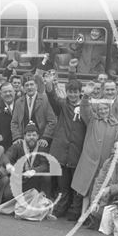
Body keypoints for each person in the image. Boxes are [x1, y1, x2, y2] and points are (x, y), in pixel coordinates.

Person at [71, 86, 118, 219]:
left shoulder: (116, 124)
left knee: (97, 190)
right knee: (86, 190)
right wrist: (86, 96)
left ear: (109, 110)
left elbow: (116, 144)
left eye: (105, 109)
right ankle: (82, 215)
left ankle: (93, 217)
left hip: (104, 163)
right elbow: (84, 109)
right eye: (100, 109)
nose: (103, 111)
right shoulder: (92, 121)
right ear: (97, 111)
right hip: (89, 161)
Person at [45, 77, 86, 219]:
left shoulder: (86, 107)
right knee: (62, 184)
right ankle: (59, 210)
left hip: (77, 152)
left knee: (75, 185)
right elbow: (52, 97)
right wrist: (49, 84)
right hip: (61, 152)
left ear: (80, 93)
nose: (73, 95)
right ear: (67, 92)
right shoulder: (62, 105)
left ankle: (74, 211)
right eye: (70, 92)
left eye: (76, 92)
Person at [87, 141, 118, 230]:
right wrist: (94, 202)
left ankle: (117, 223)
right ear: (112, 150)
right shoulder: (108, 162)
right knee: (94, 211)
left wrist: (110, 188)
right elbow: (99, 182)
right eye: (116, 149)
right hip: (108, 199)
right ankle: (106, 220)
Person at [0, 122, 50, 202]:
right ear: (24, 136)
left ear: (38, 137)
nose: (31, 137)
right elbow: (6, 156)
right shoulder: (17, 146)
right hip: (18, 179)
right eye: (29, 135)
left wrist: (34, 171)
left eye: (34, 135)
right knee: (7, 196)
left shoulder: (41, 149)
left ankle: (43, 197)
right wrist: (8, 165)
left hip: (34, 179)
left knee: (47, 177)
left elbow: (45, 165)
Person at [10, 75, 56, 145]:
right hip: (24, 140)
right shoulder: (18, 102)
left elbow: (52, 121)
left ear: (36, 86)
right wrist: (17, 137)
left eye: (32, 84)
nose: (29, 87)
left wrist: (45, 137)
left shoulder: (45, 100)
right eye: (27, 85)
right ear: (23, 88)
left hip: (41, 140)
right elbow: (14, 122)